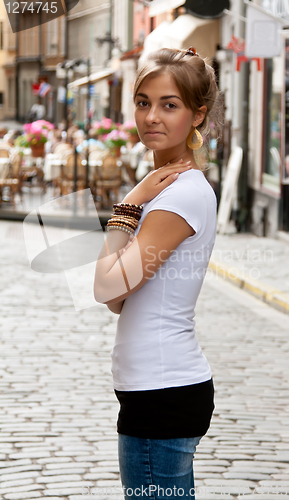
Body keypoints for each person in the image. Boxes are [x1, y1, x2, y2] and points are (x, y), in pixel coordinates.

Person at [94, 47, 220, 499]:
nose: (152, 116)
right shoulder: (167, 189)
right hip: (155, 388)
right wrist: (137, 201)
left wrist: (127, 205)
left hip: (162, 391)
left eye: (170, 105)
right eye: (144, 102)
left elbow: (105, 284)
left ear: (197, 115)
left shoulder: (177, 196)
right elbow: (116, 300)